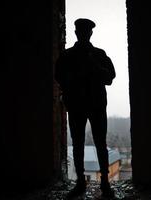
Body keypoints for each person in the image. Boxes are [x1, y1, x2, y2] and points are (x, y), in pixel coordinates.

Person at [55, 18, 116, 198]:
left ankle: (99, 181)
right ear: (77, 33)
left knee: (97, 143)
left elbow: (110, 77)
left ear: (88, 33)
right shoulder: (72, 56)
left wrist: (93, 67)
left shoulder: (96, 54)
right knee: (82, 143)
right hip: (81, 105)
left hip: (90, 105)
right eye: (82, 31)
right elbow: (59, 76)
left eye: (85, 31)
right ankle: (92, 181)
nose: (84, 34)